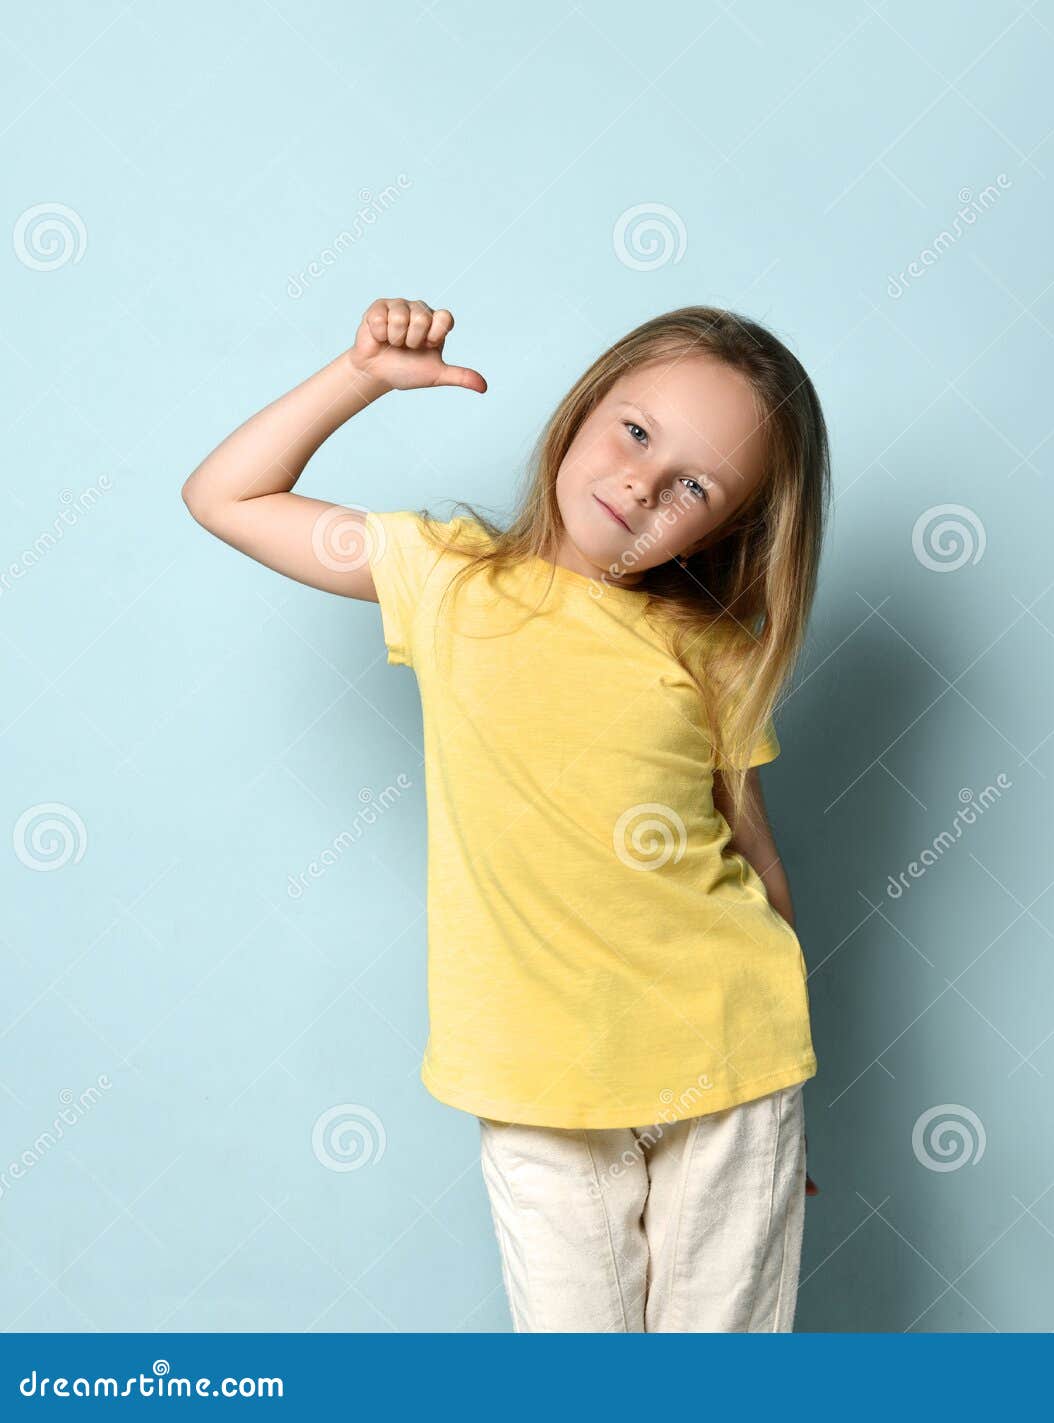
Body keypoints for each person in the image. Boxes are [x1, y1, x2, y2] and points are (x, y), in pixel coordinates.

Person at [182, 297, 830, 1331]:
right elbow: (226, 495)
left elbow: (756, 856)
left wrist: (779, 1094)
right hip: (536, 1074)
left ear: (730, 524)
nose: (640, 482)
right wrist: (361, 376)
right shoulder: (445, 579)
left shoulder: (709, 651)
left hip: (726, 1063)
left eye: (693, 484)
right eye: (634, 431)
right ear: (584, 410)